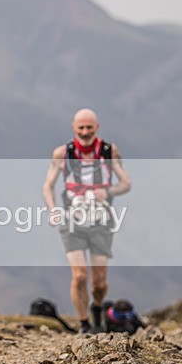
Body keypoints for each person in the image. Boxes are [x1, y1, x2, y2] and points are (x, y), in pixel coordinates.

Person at [42, 108, 131, 334]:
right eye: (80, 127)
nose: (84, 132)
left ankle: (98, 308)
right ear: (73, 127)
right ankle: (84, 324)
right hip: (72, 220)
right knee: (80, 275)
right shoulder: (62, 154)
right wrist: (53, 210)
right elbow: (48, 185)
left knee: (99, 283)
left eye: (89, 127)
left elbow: (126, 183)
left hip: (101, 221)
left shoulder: (110, 151)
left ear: (97, 128)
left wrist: (108, 191)